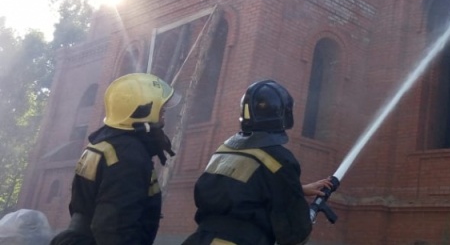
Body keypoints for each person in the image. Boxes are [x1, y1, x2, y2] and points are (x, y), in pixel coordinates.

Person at [182, 79, 332, 245]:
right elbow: (295, 232)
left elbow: (238, 191)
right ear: (282, 113)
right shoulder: (280, 159)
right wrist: (305, 219)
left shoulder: (224, 150)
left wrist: (298, 189)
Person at [50, 73, 180, 245]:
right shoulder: (127, 156)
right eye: (160, 108)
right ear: (142, 110)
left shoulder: (107, 143)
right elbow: (112, 227)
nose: (164, 114)